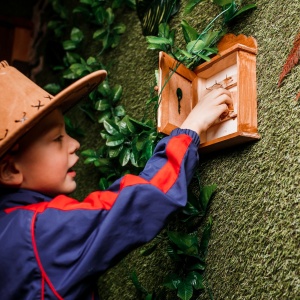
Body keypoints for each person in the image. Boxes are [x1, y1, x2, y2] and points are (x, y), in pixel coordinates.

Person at [0, 60, 232, 299]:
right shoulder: (39, 232)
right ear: (9, 171)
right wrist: (192, 127)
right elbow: (139, 200)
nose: (75, 144)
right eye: (57, 138)